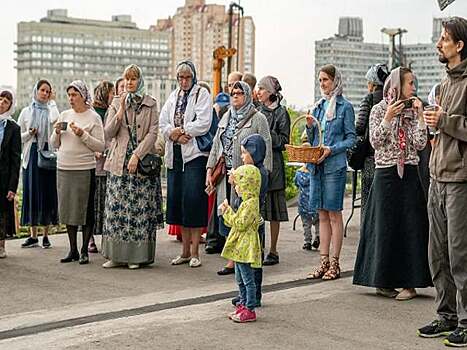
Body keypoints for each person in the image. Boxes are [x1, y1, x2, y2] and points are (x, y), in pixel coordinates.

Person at [353, 66, 432, 300]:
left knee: (411, 227)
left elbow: (419, 144)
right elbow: (376, 141)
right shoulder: (378, 109)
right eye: (410, 84)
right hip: (386, 174)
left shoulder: (413, 112)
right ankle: (382, 280)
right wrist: (388, 117)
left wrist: (419, 118)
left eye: (415, 84)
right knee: (383, 228)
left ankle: (411, 283)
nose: (414, 88)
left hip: (409, 173)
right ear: (397, 86)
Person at [418, 17, 467, 347]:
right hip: (438, 176)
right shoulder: (446, 82)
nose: (439, 44)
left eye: (444, 39)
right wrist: (435, 127)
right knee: (437, 253)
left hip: (460, 180)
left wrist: (445, 121)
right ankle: (446, 314)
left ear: (460, 45)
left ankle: (465, 321)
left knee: (460, 253)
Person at [207, 81, 272, 275]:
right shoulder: (226, 116)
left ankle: (249, 259)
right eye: (232, 93)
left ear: (247, 95)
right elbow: (216, 145)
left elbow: (266, 147)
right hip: (226, 176)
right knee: (228, 215)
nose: (235, 96)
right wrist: (210, 169)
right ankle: (233, 258)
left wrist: (264, 176)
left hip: (248, 180)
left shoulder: (258, 118)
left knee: (247, 218)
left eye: (239, 93)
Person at [101, 64, 163, 270]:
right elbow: (107, 133)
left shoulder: (150, 103)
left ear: (140, 81)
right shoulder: (116, 102)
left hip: (141, 162)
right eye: (126, 79)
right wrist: (119, 112)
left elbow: (153, 132)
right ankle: (115, 255)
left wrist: (137, 154)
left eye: (133, 79)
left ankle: (136, 257)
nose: (129, 82)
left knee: (138, 211)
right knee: (117, 210)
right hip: (119, 162)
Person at [160, 60, 212, 268]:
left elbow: (204, 122)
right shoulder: (173, 96)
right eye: (180, 77)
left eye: (187, 77)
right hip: (176, 154)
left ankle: (195, 253)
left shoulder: (201, 94)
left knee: (193, 201)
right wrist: (172, 134)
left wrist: (182, 131)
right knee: (178, 202)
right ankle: (183, 252)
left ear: (193, 77)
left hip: (194, 156)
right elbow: (163, 121)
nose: (183, 81)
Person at [306, 64, 356, 281]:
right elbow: (312, 136)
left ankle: (335, 263)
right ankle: (323, 261)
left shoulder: (345, 107)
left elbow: (351, 138)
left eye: (325, 79)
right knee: (321, 214)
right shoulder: (318, 107)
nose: (322, 84)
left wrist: (332, 149)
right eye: (320, 80)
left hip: (334, 166)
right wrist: (308, 126)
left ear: (336, 81)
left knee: (334, 214)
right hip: (317, 166)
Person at [50, 81, 105, 265]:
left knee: (85, 210)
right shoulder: (64, 115)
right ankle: (72, 249)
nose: (71, 99)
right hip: (64, 168)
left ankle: (84, 250)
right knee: (67, 210)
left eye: (74, 95)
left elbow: (100, 145)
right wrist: (56, 132)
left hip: (84, 169)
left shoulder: (93, 117)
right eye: (69, 95)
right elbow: (54, 144)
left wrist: (82, 134)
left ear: (83, 96)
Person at [18, 80, 59, 249]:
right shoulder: (26, 112)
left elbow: (56, 119)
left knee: (47, 194)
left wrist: (53, 102)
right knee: (32, 194)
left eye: (48, 91)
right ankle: (33, 236)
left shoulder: (50, 110)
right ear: (36, 91)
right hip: (31, 158)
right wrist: (29, 133)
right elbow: (18, 137)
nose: (44, 93)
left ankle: (46, 236)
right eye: (42, 90)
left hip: (47, 157)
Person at [220, 164, 262, 323]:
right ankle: (243, 304)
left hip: (245, 247)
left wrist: (227, 211)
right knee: (240, 278)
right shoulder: (247, 202)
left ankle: (250, 308)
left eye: (238, 184)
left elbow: (240, 223)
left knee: (247, 279)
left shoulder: (250, 203)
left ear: (247, 185)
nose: (236, 188)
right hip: (240, 247)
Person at [230, 133, 269, 308]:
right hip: (249, 221)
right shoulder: (251, 171)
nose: (242, 157)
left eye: (245, 153)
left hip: (252, 223)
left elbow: (250, 194)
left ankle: (254, 296)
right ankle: (245, 294)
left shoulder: (259, 173)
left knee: (253, 261)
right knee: (246, 262)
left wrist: (238, 186)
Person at [256, 76, 291, 266]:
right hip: (257, 163)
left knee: (274, 212)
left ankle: (273, 250)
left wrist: (268, 136)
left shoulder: (281, 113)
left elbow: (285, 141)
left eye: (261, 88)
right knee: (258, 209)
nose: (258, 92)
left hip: (275, 165)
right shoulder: (256, 110)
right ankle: (258, 248)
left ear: (270, 91)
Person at [355, 64, 389, 222]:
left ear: (373, 83)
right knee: (384, 201)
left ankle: (367, 237)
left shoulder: (369, 99)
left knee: (368, 201)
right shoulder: (392, 99)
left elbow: (360, 127)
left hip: (370, 157)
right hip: (389, 158)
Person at [88, 81, 114, 253]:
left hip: (108, 166)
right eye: (111, 93)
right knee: (92, 203)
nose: (113, 96)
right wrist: (95, 150)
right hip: (94, 165)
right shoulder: (93, 113)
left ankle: (105, 239)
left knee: (106, 205)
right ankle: (90, 239)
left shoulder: (112, 112)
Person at [0, 89, 21, 258]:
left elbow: (16, 160)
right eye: (0, 99)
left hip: (4, 176)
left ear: (10, 106)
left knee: (2, 212)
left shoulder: (13, 128)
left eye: (6, 101)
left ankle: (1, 246)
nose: (2, 102)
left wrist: (12, 186)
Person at [294, 134, 320, 251]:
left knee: (306, 224)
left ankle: (307, 241)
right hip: (314, 202)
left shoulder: (299, 173)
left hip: (303, 203)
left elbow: (296, 184)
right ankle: (318, 237)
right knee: (318, 222)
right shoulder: (314, 171)